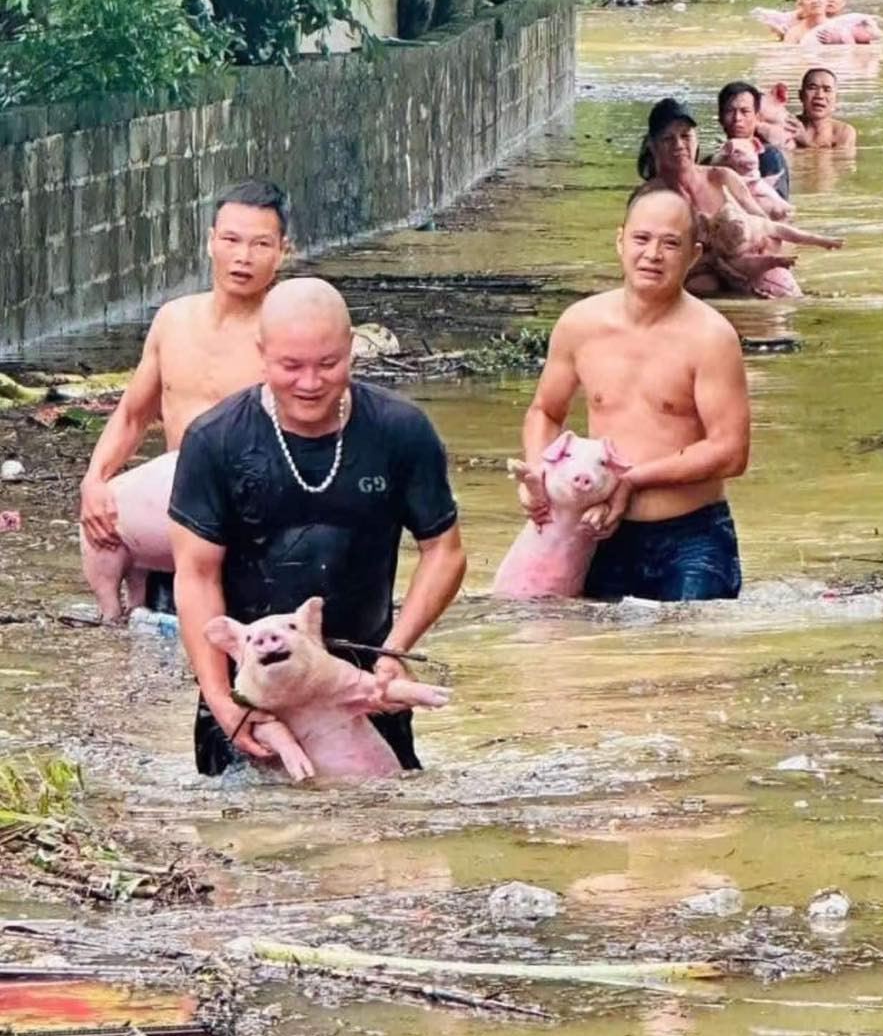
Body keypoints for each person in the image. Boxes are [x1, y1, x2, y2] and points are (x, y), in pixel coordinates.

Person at [168, 278, 467, 775]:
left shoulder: (400, 430)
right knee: (245, 839)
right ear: (262, 353)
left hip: (363, 680)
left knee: (386, 830)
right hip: (251, 684)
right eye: (291, 366)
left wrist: (396, 649)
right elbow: (196, 576)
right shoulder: (215, 440)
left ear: (351, 349)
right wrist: (223, 700)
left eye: (328, 364)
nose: (310, 383)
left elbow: (445, 551)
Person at [517, 184, 750, 601]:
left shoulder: (712, 337)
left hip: (691, 537)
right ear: (620, 240)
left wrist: (634, 480)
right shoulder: (580, 324)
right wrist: (541, 477)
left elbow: (731, 451)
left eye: (670, 243)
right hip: (597, 534)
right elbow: (545, 412)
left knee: (692, 658)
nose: (653, 254)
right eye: (642, 239)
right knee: (593, 657)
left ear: (694, 255)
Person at [79, 181, 290, 607]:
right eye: (231, 240)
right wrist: (94, 479)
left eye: (260, 244)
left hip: (256, 527)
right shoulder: (173, 320)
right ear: (211, 241)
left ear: (283, 250)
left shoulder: (289, 331)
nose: (243, 257)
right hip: (178, 512)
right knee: (144, 648)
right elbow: (133, 416)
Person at [642, 98, 841, 299]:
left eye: (685, 136)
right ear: (652, 145)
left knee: (779, 284)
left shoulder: (723, 177)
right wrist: (713, 261)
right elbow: (647, 262)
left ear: (697, 138)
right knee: (704, 285)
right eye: (668, 139)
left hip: (748, 263)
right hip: (694, 274)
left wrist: (755, 255)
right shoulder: (649, 199)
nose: (679, 145)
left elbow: (768, 231)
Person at [711, 81, 791, 201]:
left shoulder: (768, 156)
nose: (737, 118)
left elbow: (778, 204)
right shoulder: (711, 162)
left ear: (757, 117)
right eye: (730, 111)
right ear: (720, 118)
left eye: (745, 111)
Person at [793, 68, 858, 151]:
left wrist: (805, 142)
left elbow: (841, 163)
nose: (820, 95)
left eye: (827, 90)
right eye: (812, 88)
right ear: (800, 95)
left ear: (836, 98)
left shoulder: (843, 132)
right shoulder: (789, 127)